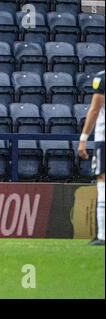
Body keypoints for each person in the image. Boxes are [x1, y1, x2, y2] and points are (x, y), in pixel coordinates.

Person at [78, 70, 105, 246]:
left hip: (105, 139)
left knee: (103, 182)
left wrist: (83, 139)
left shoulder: (102, 78)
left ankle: (103, 235)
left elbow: (95, 109)